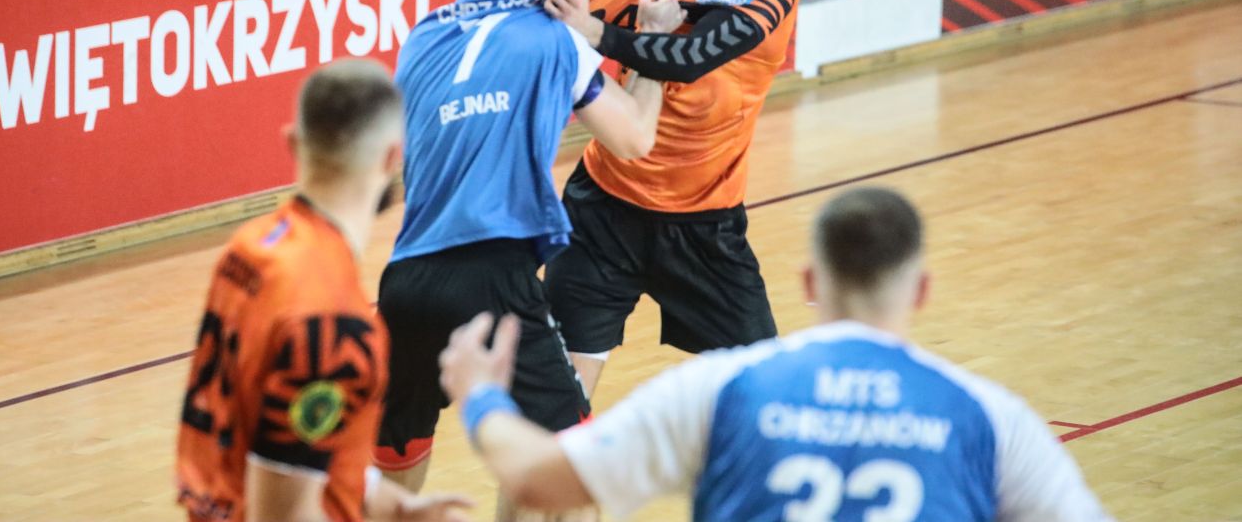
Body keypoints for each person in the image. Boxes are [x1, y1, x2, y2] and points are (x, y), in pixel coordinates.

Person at [439, 187, 1116, 521]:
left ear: (810, 282)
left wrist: (481, 397)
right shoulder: (991, 417)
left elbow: (536, 479)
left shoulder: (722, 389)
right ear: (922, 291)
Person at [372, 0, 684, 515]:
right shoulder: (554, 37)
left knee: (396, 449)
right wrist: (650, 42)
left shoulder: (422, 37)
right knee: (570, 469)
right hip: (491, 278)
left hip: (404, 281)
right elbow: (634, 139)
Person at [505, 0, 800, 397]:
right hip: (600, 212)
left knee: (766, 400)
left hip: (703, 227)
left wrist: (591, 30)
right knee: (555, 401)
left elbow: (688, 59)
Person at [175, 59, 471, 522]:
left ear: (293, 142)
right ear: (393, 158)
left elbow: (287, 443)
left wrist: (392, 504)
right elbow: (281, 515)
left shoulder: (248, 249)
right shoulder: (333, 325)